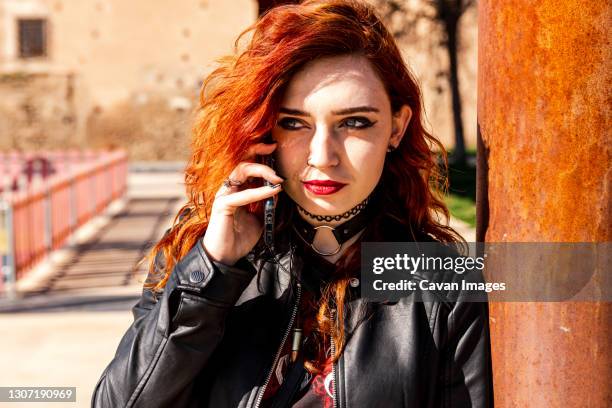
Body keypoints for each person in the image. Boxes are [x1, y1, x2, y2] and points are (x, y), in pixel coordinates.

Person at [92, 1, 493, 407]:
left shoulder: (444, 284)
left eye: (354, 122)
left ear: (397, 127)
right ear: (264, 129)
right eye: (294, 123)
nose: (322, 155)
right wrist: (213, 271)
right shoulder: (199, 256)